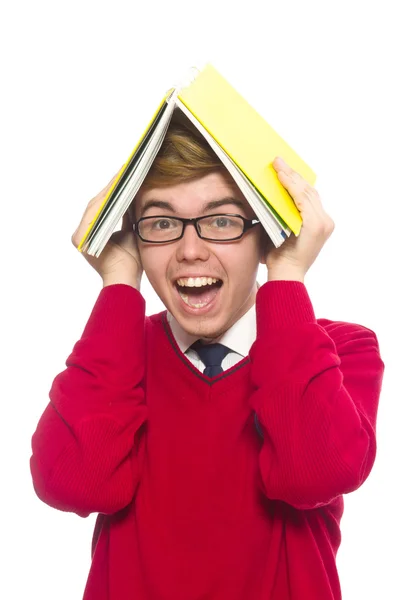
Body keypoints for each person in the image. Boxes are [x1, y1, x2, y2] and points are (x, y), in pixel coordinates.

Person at [30, 118, 384, 600]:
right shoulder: (116, 353)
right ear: (135, 239)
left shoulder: (343, 350)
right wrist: (117, 283)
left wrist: (287, 276)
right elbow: (74, 485)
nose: (190, 250)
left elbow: (314, 473)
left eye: (222, 221)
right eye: (162, 223)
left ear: (267, 235)